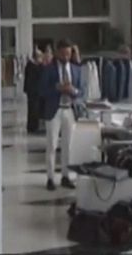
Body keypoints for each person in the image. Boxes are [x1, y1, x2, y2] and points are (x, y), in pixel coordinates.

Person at [40, 39, 83, 191]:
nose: (66, 57)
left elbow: (82, 91)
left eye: (68, 54)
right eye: (63, 53)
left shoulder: (76, 69)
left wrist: (73, 91)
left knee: (68, 146)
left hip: (70, 110)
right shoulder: (48, 69)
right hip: (54, 110)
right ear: (57, 52)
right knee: (52, 145)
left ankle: (66, 176)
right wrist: (56, 89)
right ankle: (50, 178)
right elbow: (41, 90)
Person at [24, 48, 44, 134]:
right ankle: (33, 127)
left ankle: (34, 126)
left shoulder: (32, 65)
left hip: (34, 91)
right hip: (33, 91)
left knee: (34, 109)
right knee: (33, 109)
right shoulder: (32, 66)